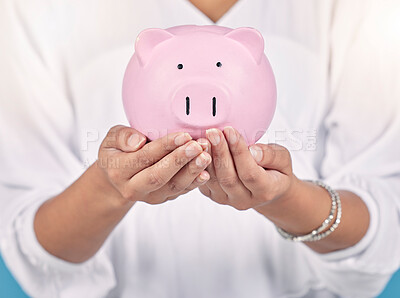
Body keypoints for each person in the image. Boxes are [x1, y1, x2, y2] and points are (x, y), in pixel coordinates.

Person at [0, 0, 399, 297]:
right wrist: (108, 188)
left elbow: (384, 217)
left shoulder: (358, 8)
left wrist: (285, 198)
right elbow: (32, 243)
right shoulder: (33, 10)